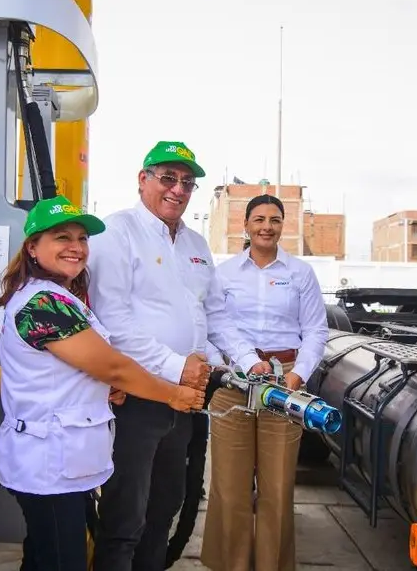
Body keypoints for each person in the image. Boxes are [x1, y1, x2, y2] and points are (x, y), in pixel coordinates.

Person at [0, 195, 205, 571]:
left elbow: (71, 369)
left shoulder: (59, 297)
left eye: (81, 238)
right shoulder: (44, 304)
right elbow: (113, 366)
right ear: (32, 246)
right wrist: (173, 394)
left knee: (45, 554)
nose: (75, 247)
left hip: (60, 460)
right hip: (48, 465)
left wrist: (102, 389)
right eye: (61, 237)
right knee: (62, 559)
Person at [88, 141, 271, 571]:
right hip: (136, 398)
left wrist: (247, 360)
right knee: (124, 514)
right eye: (167, 178)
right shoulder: (115, 233)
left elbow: (215, 315)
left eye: (187, 183)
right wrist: (178, 367)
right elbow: (113, 321)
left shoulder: (195, 243)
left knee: (165, 506)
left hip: (187, 400)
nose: (178, 190)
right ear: (143, 180)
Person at [200, 194, 329, 571]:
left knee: (277, 485)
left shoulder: (300, 273)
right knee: (231, 485)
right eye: (258, 219)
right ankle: (233, 564)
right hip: (233, 382)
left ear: (283, 225)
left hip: (284, 381)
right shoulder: (223, 273)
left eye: (274, 219)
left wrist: (295, 376)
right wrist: (233, 365)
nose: (266, 226)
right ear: (245, 225)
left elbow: (316, 331)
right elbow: (212, 327)